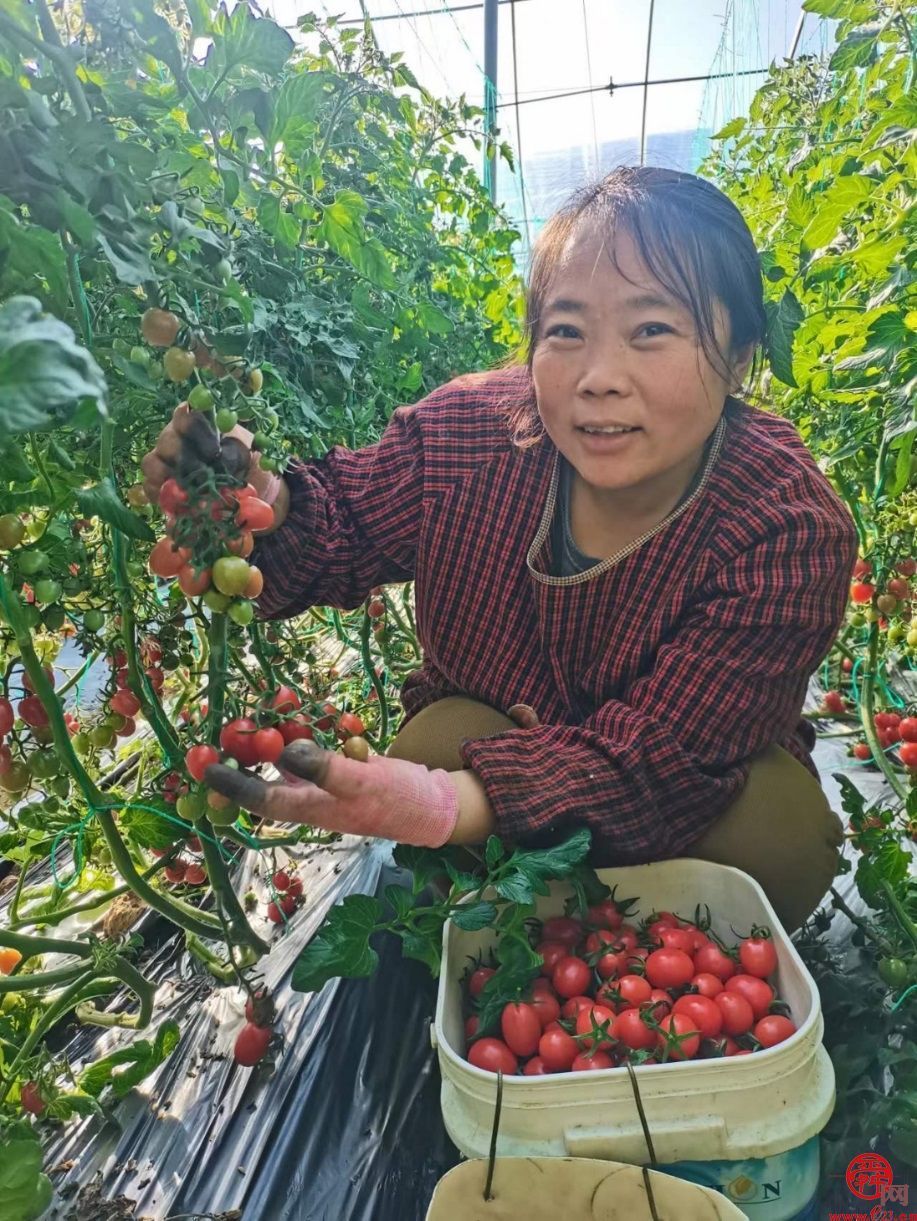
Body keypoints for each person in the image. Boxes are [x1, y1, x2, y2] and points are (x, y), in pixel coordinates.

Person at [142, 165, 856, 932]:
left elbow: (667, 753)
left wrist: (451, 802)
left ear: (740, 353)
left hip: (688, 792)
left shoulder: (784, 523)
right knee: (436, 741)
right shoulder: (464, 438)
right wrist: (263, 506)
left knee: (780, 838)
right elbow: (344, 518)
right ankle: (547, 940)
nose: (599, 378)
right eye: (565, 332)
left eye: (652, 330)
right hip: (491, 739)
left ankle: (591, 934)